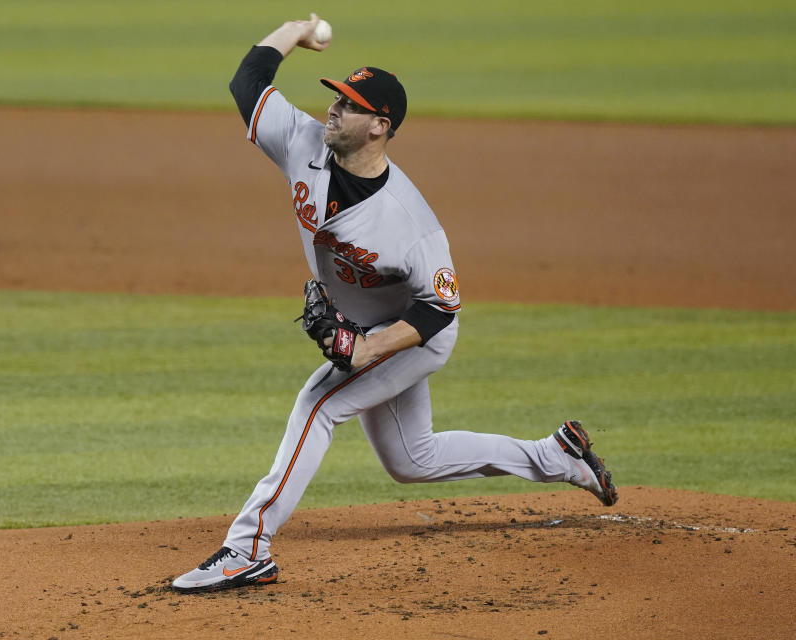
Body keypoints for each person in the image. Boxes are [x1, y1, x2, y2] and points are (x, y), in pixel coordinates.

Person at [171, 14, 618, 593]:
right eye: (335, 98)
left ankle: (246, 548)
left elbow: (440, 308)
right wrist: (293, 30)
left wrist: (367, 347)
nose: (333, 109)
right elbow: (248, 82)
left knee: (318, 404)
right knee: (412, 459)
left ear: (379, 126)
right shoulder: (303, 142)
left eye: (350, 105)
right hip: (365, 326)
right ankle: (554, 456)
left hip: (413, 333)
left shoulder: (411, 224)